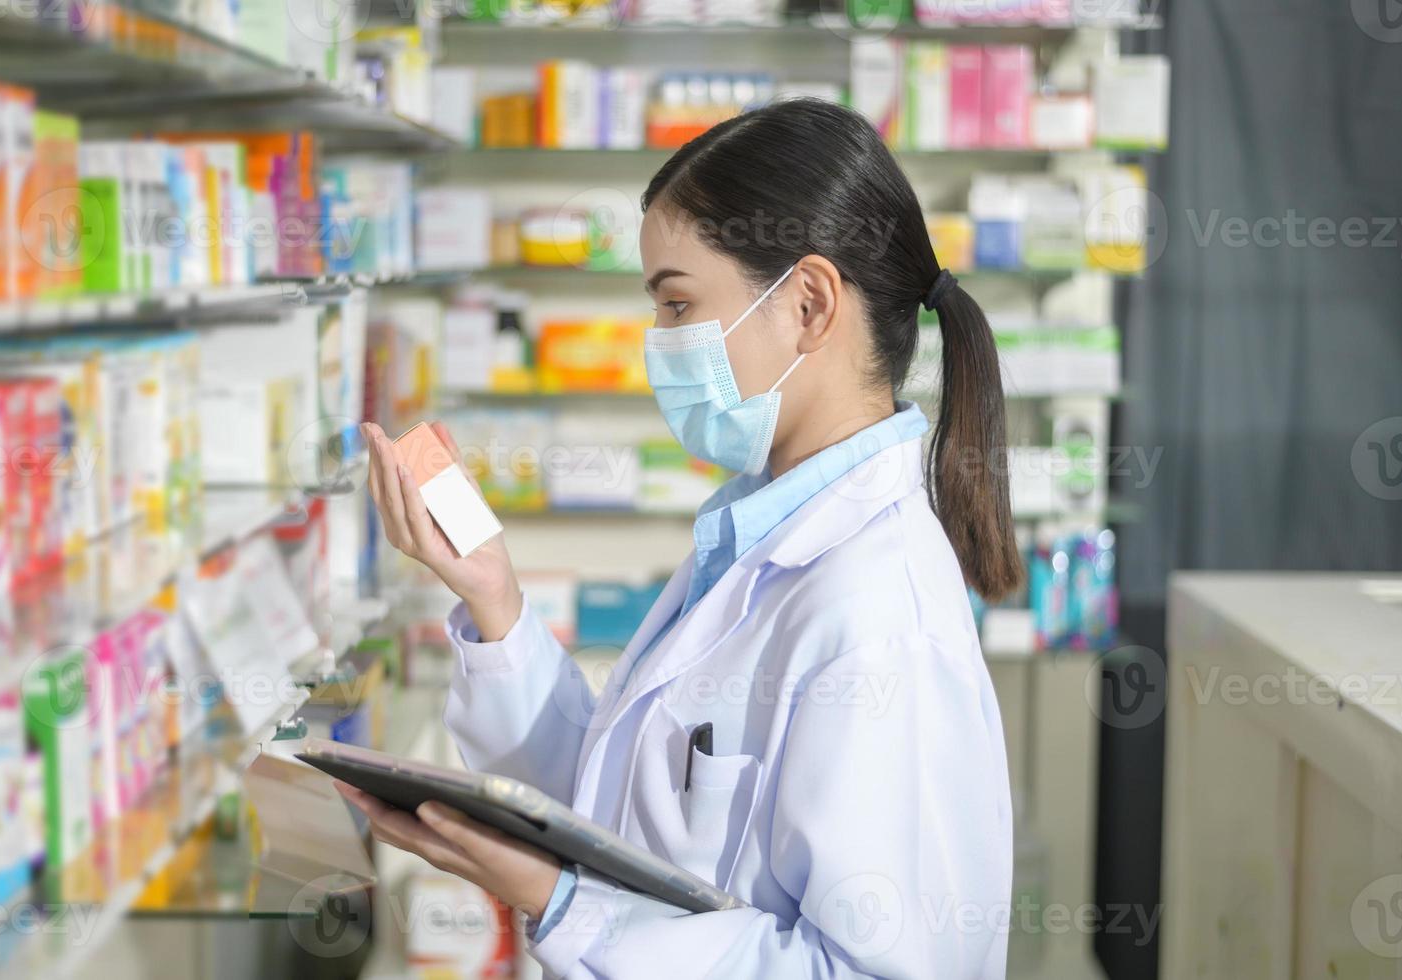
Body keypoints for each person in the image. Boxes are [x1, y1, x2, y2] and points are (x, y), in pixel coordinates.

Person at [345, 98, 1021, 979]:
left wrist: (562, 904)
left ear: (809, 304)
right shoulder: (754, 530)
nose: (655, 345)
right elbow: (625, 807)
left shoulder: (876, 610)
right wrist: (497, 602)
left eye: (676, 305)